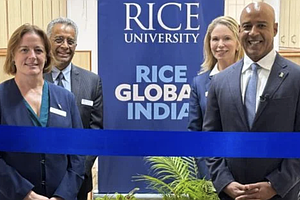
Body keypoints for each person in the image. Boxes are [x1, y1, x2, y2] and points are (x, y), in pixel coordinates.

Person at [203, 2, 300, 200]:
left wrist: (275, 185)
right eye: (247, 26)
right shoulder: (220, 81)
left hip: (280, 194)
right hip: (232, 195)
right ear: (239, 30)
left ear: (275, 29)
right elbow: (211, 139)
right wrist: (225, 182)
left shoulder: (297, 78)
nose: (253, 32)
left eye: (261, 25)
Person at [0, 24, 85, 200]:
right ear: (13, 56)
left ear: (46, 56)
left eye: (38, 50)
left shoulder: (66, 98)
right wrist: (27, 194)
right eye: (24, 50)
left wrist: (62, 196)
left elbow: (78, 154)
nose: (32, 56)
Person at [44, 17, 103, 200]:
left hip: (78, 181)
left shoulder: (92, 81)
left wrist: (76, 173)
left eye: (70, 41)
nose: (65, 46)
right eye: (59, 40)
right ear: (48, 42)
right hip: (40, 179)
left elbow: (96, 132)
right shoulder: (35, 79)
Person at [187, 16, 243, 179]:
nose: (220, 45)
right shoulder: (199, 82)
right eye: (215, 39)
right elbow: (195, 132)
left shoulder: (251, 78)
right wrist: (207, 172)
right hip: (211, 173)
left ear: (238, 42)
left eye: (227, 38)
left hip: (247, 174)